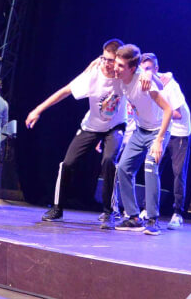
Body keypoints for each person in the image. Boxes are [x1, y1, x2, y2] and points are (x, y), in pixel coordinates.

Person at [25, 39, 127, 225]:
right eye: (104, 58)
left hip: (115, 126)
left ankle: (109, 212)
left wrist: (152, 75)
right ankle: (57, 208)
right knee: (67, 163)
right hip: (91, 126)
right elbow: (64, 91)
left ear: (119, 61)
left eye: (111, 60)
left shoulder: (125, 75)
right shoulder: (93, 74)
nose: (106, 64)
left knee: (108, 160)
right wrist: (38, 110)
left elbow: (145, 68)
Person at [110, 47, 174, 234]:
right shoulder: (121, 79)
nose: (116, 68)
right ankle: (134, 217)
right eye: (116, 63)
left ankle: (153, 219)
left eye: (120, 66)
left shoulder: (144, 83)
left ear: (132, 69)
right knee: (123, 168)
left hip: (157, 131)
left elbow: (168, 110)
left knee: (150, 167)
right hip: (140, 130)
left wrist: (159, 140)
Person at [155, 63, 191, 228]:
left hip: (179, 132)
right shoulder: (143, 81)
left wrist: (158, 110)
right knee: (153, 168)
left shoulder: (170, 85)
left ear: (156, 69)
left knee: (178, 173)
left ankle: (178, 213)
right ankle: (149, 209)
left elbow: (177, 114)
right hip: (163, 130)